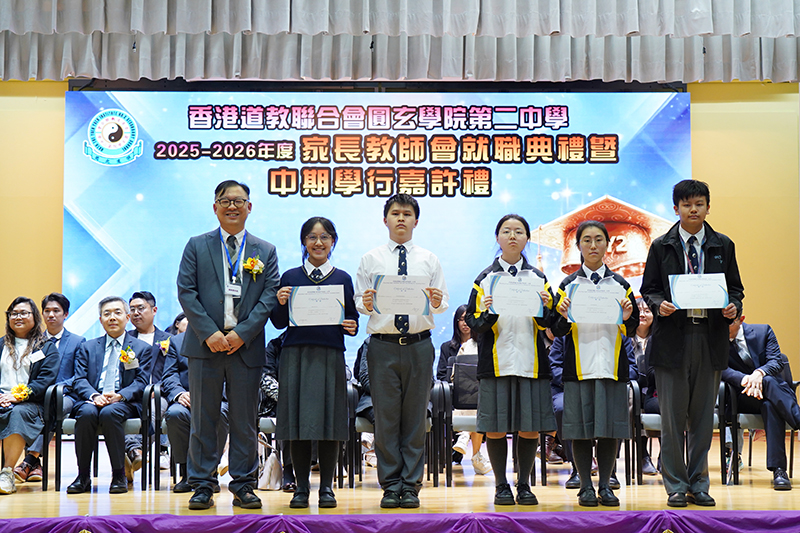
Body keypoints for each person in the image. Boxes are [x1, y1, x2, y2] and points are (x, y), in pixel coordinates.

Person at [177, 179, 280, 510]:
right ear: (215, 207)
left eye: (238, 200)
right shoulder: (197, 245)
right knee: (203, 418)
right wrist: (210, 332)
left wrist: (242, 334)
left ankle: (244, 484)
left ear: (249, 207)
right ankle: (202, 484)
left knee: (244, 421)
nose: (232, 206)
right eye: (225, 200)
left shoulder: (265, 251)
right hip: (204, 346)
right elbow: (186, 292)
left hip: (245, 348)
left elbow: (269, 296)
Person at [641, 179, 744, 508]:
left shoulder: (723, 245)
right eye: (687, 205)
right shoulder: (661, 246)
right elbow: (649, 288)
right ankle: (675, 485)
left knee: (702, 419)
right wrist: (658, 305)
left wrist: (733, 307)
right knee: (672, 419)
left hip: (709, 338)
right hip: (673, 338)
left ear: (708, 207)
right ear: (676, 209)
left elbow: (736, 289)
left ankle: (699, 483)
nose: (693, 209)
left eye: (699, 204)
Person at [355, 193, 448, 509]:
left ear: (416, 221)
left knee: (415, 419)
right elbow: (359, 301)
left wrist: (437, 301)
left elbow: (442, 302)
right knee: (386, 419)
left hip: (419, 345)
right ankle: (390, 485)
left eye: (407, 214)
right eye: (395, 213)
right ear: (385, 220)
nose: (401, 219)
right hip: (382, 346)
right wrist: (365, 303)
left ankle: (411, 485)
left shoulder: (429, 259)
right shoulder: (370, 259)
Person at [465, 214, 555, 506]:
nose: (512, 236)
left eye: (519, 231)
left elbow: (551, 323)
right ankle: (501, 485)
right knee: (495, 427)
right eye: (506, 231)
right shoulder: (485, 279)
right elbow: (473, 323)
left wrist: (546, 309)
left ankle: (524, 484)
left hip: (531, 362)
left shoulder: (538, 278)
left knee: (529, 427)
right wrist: (488, 313)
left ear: (527, 238)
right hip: (496, 363)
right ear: (498, 238)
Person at [271, 216, 359, 509]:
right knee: (298, 424)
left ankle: (326, 488)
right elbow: (279, 322)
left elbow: (352, 320)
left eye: (324, 237)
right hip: (296, 356)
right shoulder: (290, 277)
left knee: (329, 423)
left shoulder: (342, 278)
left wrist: (352, 326)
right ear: (303, 242)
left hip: (329, 356)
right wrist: (280, 302)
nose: (318, 243)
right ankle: (300, 488)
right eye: (312, 237)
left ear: (333, 242)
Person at [551, 220, 638, 507]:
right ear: (578, 246)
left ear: (607, 245)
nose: (592, 245)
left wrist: (628, 317)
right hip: (579, 368)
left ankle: (606, 485)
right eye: (586, 240)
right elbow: (557, 329)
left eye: (598, 239)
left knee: (610, 430)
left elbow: (633, 327)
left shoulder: (621, 284)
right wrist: (562, 316)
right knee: (581, 430)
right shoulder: (568, 285)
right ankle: (585, 486)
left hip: (612, 369)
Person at [67, 296, 156, 494]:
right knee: (86, 413)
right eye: (107, 314)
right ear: (101, 320)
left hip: (125, 402)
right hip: (93, 399)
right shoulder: (88, 347)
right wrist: (93, 396)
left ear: (127, 317)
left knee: (110, 413)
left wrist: (120, 396)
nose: (112, 318)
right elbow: (79, 379)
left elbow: (141, 381)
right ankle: (83, 476)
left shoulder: (141, 348)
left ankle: (119, 474)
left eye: (117, 313)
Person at [722, 311, 800, 490]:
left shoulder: (763, 332)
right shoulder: (716, 339)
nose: (724, 328)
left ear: (741, 319)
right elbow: (720, 369)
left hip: (771, 397)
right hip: (742, 396)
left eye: (729, 324)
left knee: (769, 403)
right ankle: (797, 418)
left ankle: (779, 471)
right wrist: (747, 379)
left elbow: (776, 361)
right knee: (769, 383)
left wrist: (759, 374)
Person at [14, 292, 84, 484]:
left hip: (66, 395)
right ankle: (35, 465)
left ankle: (30, 459)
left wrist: (55, 388)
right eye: (47, 311)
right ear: (42, 314)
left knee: (55, 404)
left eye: (56, 311)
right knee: (25, 409)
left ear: (65, 314)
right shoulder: (34, 342)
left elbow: (78, 375)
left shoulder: (78, 341)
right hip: (37, 394)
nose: (51, 315)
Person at [0, 297, 59, 495]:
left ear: (35, 317)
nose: (18, 317)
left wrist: (18, 396)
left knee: (17, 413)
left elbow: (45, 381)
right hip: (1, 399)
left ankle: (7, 473)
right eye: (14, 313)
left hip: (31, 403)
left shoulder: (46, 347)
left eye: (24, 313)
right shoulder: (0, 345)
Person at [162, 330, 229, 493]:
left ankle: (211, 472)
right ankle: (187, 474)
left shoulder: (224, 337)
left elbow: (231, 375)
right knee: (175, 414)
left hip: (216, 397)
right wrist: (179, 394)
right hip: (186, 399)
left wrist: (209, 395)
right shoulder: (177, 341)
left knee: (220, 413)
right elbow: (169, 375)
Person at [125, 290, 178, 478]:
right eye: (132, 309)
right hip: (131, 395)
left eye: (141, 308)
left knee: (154, 408)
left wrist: (158, 389)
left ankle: (135, 451)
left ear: (154, 310)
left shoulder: (168, 340)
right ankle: (134, 453)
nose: (136, 313)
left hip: (158, 395)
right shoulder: (126, 340)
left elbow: (173, 372)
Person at [436, 304, 491, 475]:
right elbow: (442, 374)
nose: (465, 323)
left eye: (467, 319)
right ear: (456, 322)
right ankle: (476, 455)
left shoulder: (482, 345)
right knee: (472, 403)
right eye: (461, 319)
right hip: (454, 394)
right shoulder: (448, 347)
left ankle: (464, 437)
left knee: (476, 402)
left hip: (478, 394)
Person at [632, 297, 659, 476]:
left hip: (656, 387)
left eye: (647, 311)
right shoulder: (625, 337)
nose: (642, 314)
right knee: (635, 397)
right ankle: (643, 456)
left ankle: (665, 456)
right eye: (639, 311)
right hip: (633, 387)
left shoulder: (659, 338)